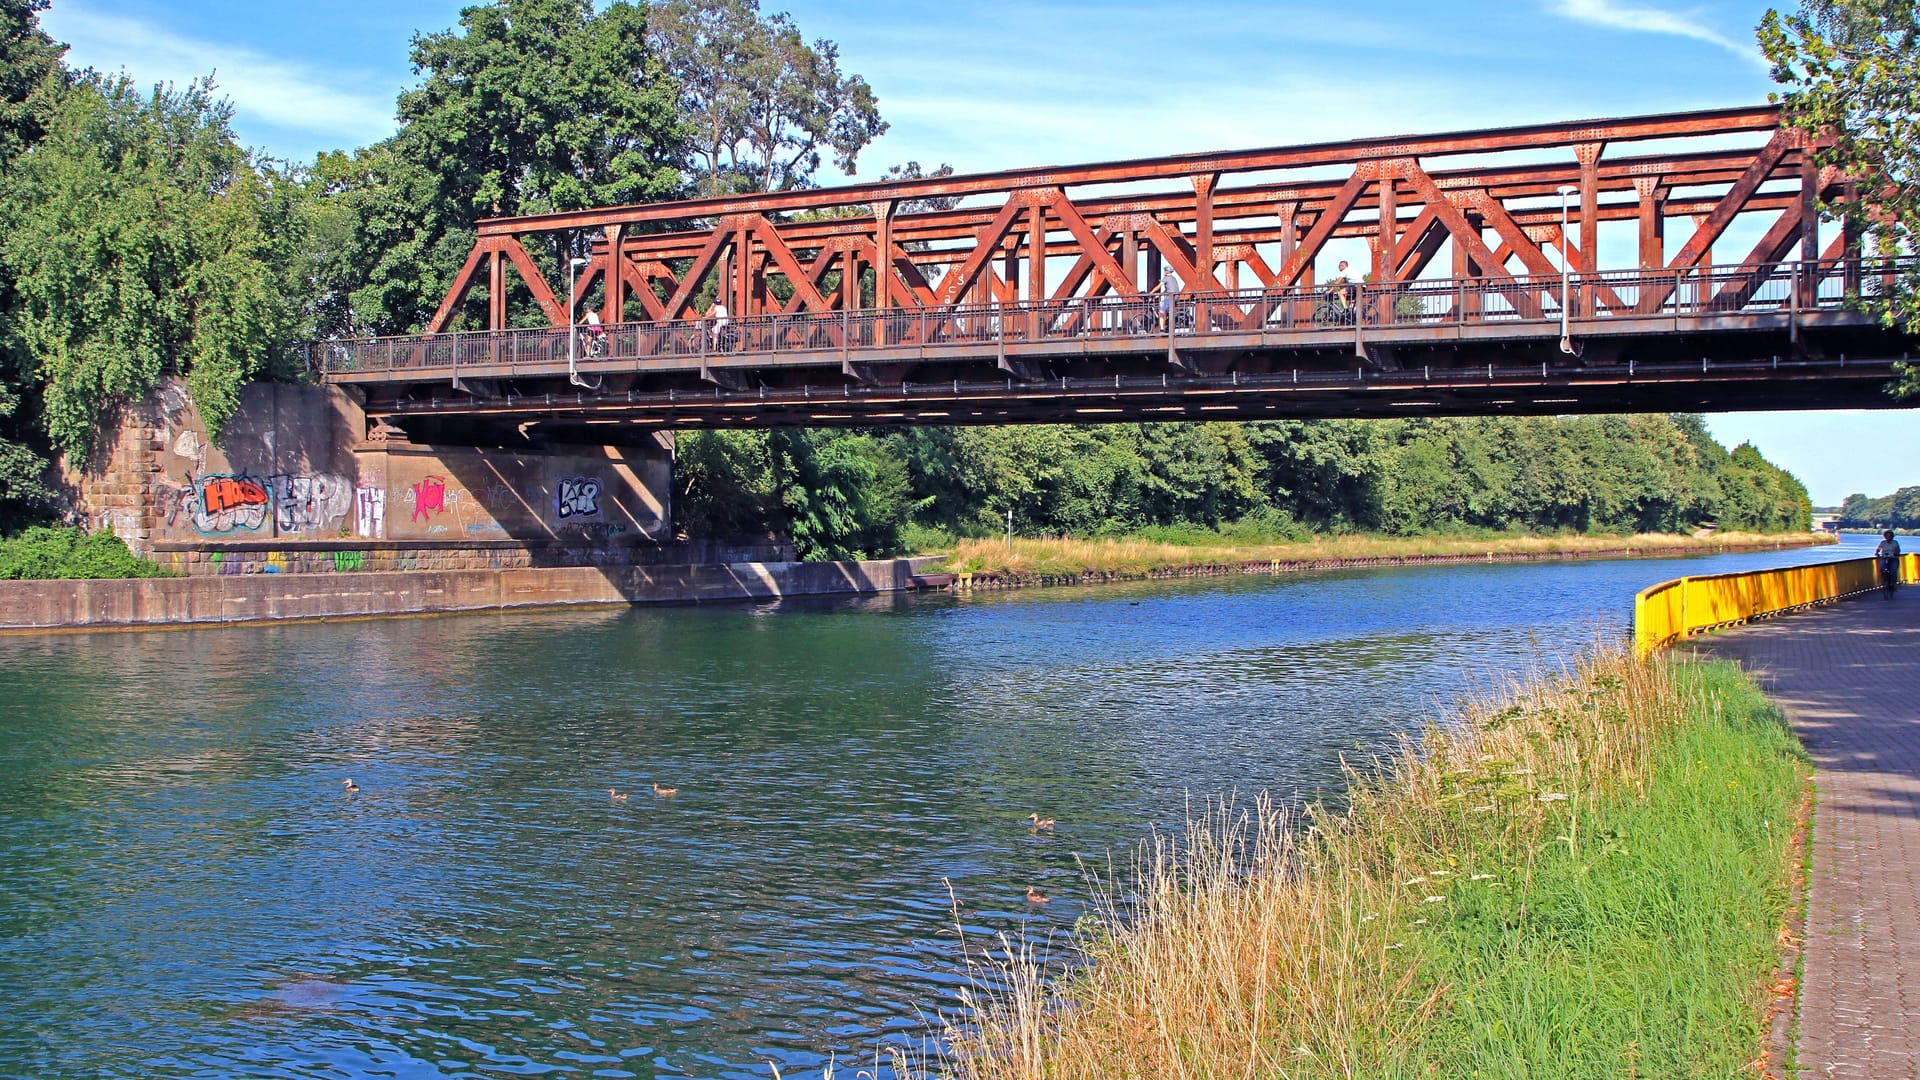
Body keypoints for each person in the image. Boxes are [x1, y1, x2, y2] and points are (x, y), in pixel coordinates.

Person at [1876, 529, 1902, 598]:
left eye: (1890, 536)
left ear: (1892, 536)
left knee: (1893, 571)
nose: (1888, 537)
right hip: (1884, 557)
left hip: (1893, 558)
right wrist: (1877, 552)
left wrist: (1897, 553)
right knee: (1882, 568)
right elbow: (1879, 548)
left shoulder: (1895, 542)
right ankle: (1884, 581)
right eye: (1887, 536)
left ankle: (1893, 584)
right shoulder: (1883, 543)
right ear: (1885, 536)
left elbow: (1898, 549)